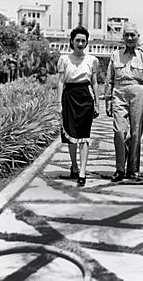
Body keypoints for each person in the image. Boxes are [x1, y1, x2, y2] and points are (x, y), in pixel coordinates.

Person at [105, 22, 143, 182]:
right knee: (119, 131)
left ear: (138, 37)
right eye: (127, 35)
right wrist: (108, 99)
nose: (130, 38)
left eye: (133, 35)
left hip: (138, 92)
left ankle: (133, 170)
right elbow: (109, 79)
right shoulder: (115, 55)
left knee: (136, 132)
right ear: (123, 37)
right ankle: (119, 169)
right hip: (119, 92)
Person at [57, 26, 100, 187]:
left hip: (85, 96)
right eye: (77, 40)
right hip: (69, 95)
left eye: (83, 41)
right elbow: (60, 82)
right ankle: (74, 166)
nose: (80, 43)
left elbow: (95, 82)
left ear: (87, 42)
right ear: (72, 42)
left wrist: (97, 103)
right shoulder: (64, 59)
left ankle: (82, 171)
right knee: (71, 134)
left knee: (84, 135)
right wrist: (59, 103)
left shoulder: (92, 60)